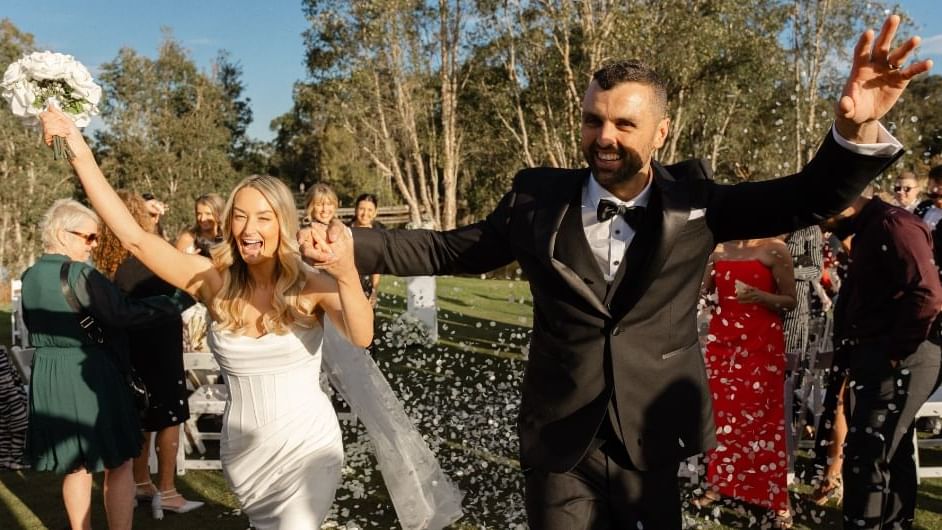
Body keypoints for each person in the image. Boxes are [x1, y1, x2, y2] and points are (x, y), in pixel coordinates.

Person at [305, 15, 926, 528]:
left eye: (624, 124)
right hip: (559, 437)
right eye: (593, 120)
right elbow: (445, 252)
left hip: (651, 439)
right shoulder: (535, 198)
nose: (604, 137)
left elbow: (805, 197)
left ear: (661, 131)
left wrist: (853, 131)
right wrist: (351, 244)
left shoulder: (697, 201)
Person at [20, 199, 191, 530]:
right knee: (120, 460)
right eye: (89, 238)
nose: (94, 245)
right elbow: (124, 313)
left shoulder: (29, 277)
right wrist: (178, 301)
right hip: (91, 372)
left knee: (75, 465)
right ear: (62, 234)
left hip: (50, 375)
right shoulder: (80, 273)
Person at [820, 189, 942, 529]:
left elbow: (928, 295)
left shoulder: (895, 225)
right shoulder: (870, 230)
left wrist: (894, 352)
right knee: (892, 451)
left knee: (866, 452)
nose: (819, 225)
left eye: (820, 214)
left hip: (904, 355)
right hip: (879, 353)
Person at [92, 190, 204, 518]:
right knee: (170, 416)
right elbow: (174, 282)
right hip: (160, 343)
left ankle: (142, 483)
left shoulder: (109, 262)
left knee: (143, 416)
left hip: (130, 347)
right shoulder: (146, 261)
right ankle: (167, 490)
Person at [695, 238, 796, 527]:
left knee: (765, 421)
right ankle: (718, 484)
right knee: (724, 418)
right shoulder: (718, 248)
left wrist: (762, 297)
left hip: (762, 343)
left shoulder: (775, 248)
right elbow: (702, 293)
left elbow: (791, 299)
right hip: (723, 342)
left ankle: (778, 502)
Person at [349, 193, 384, 307]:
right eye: (361, 209)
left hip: (367, 284)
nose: (365, 214)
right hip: (346, 283)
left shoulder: (379, 232)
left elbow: (377, 265)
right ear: (355, 210)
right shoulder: (345, 230)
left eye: (370, 210)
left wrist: (374, 290)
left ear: (375, 212)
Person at [175, 193, 225, 257]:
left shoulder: (227, 239)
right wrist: (187, 259)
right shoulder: (188, 239)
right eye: (199, 214)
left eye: (208, 214)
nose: (202, 219)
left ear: (219, 214)